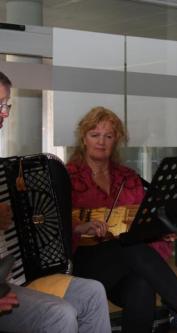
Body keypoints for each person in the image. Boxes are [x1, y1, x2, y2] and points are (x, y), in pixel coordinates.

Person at [69, 106, 177, 333]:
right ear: (83, 138)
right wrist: (80, 227)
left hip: (124, 265)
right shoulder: (67, 176)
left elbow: (144, 220)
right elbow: (50, 222)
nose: (101, 142)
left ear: (116, 140)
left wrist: (160, 230)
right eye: (95, 135)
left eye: (108, 136)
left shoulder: (128, 177)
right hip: (84, 263)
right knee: (128, 245)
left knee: (142, 285)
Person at [0, 71, 111, 333]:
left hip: (16, 276)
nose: (5, 112)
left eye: (6, 105)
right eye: (0, 104)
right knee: (60, 314)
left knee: (93, 292)